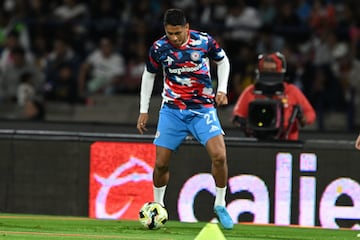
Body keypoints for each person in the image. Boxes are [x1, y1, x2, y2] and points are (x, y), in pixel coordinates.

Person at [136, 8, 233, 229]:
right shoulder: (159, 48)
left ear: (187, 28)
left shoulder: (204, 41)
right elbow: (149, 74)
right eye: (170, 33)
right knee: (160, 163)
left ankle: (220, 203)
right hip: (172, 110)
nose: (175, 38)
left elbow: (223, 61)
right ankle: (157, 207)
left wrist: (223, 89)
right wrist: (144, 109)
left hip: (202, 109)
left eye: (178, 32)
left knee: (219, 156)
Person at [232, 52, 316, 140]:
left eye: (272, 70)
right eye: (265, 70)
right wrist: (242, 123)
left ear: (280, 71)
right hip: (257, 141)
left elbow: (311, 114)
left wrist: (302, 118)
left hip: (287, 141)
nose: (269, 74)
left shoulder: (291, 91)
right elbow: (237, 115)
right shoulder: (250, 91)